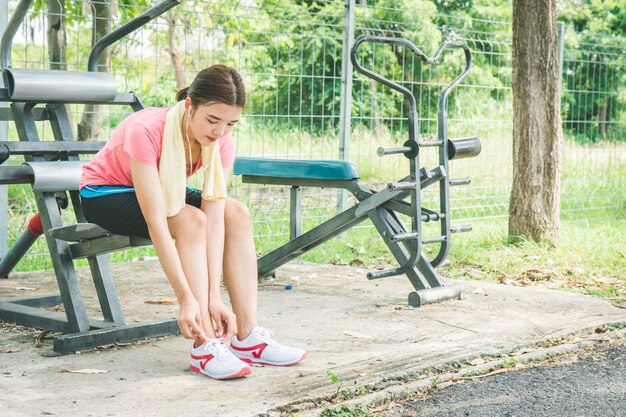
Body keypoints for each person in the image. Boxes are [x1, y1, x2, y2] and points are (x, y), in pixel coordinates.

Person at [79, 64, 306, 380]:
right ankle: (205, 345)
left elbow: (216, 221)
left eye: (230, 123)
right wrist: (186, 298)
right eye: (212, 120)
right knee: (190, 220)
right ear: (189, 106)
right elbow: (159, 222)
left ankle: (246, 336)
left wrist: (214, 296)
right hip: (104, 193)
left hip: (162, 186)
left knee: (235, 213)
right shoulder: (145, 130)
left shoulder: (221, 140)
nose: (220, 131)